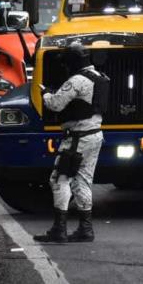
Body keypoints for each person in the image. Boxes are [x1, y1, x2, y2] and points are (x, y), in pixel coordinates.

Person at [34, 44, 105, 244]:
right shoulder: (100, 78)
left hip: (77, 137)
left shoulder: (77, 80)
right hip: (95, 134)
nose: (65, 67)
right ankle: (85, 229)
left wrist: (46, 93)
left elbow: (55, 104)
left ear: (73, 61)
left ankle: (59, 229)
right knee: (82, 181)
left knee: (59, 179)